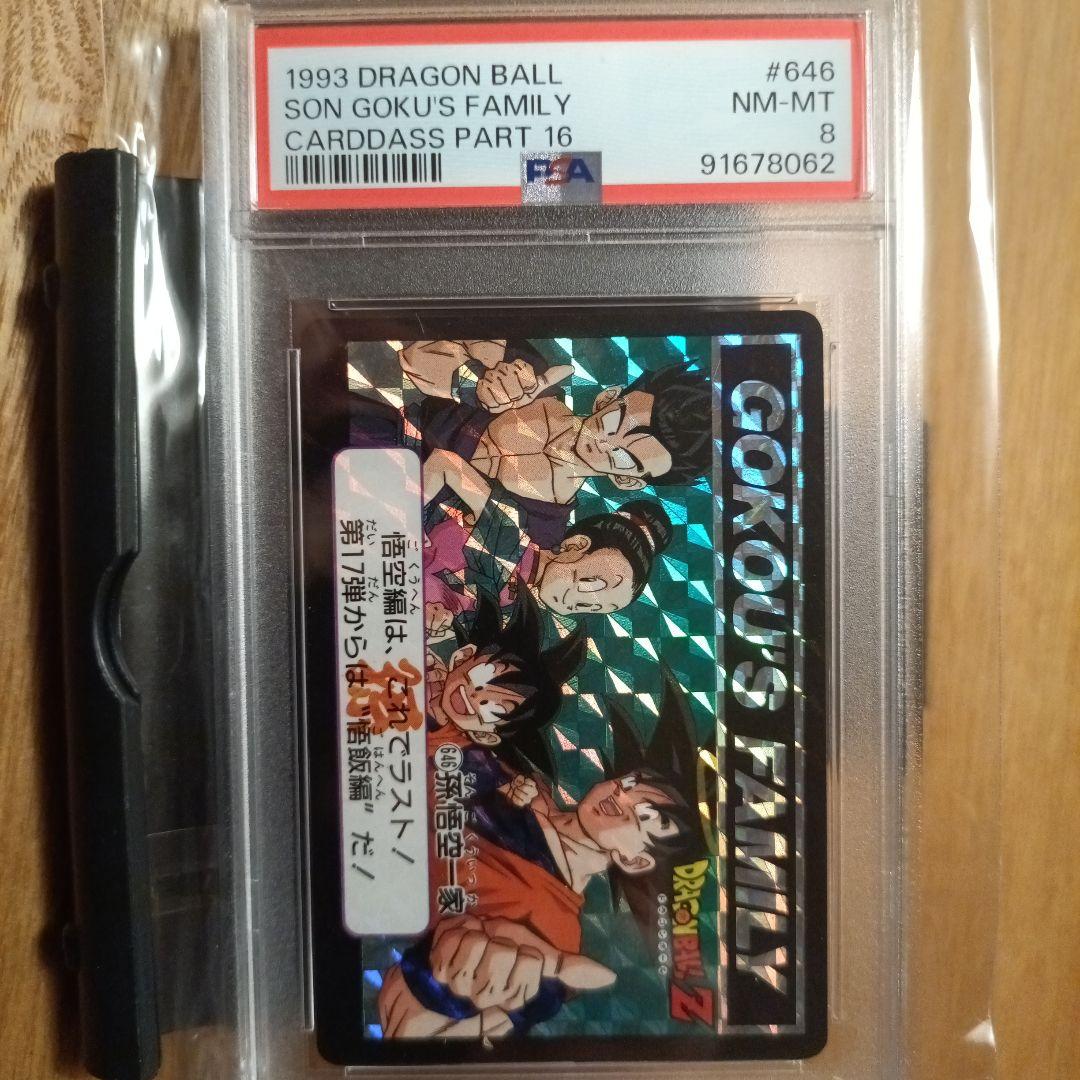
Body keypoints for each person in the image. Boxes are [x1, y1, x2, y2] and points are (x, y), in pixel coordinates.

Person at [378, 665, 717, 1039]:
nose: (624, 798)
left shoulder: (553, 931)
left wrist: (437, 986)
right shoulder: (529, 787)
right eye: (633, 783)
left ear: (634, 860)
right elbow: (431, 738)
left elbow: (414, 1033)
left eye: (648, 817)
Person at [418, 357, 712, 547]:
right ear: (607, 398)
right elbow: (417, 358)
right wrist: (475, 380)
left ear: (627, 481)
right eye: (614, 421)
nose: (605, 443)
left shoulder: (545, 529)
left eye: (624, 457)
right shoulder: (530, 377)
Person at [422, 495, 674, 640]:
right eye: (591, 585)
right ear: (576, 545)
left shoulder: (513, 606)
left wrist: (442, 623)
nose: (577, 604)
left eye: (596, 608)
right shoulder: (508, 532)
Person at [425, 589, 585, 769]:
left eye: (496, 709)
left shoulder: (455, 758)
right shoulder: (427, 660)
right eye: (483, 676)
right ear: (462, 656)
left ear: (485, 736)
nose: (478, 696)